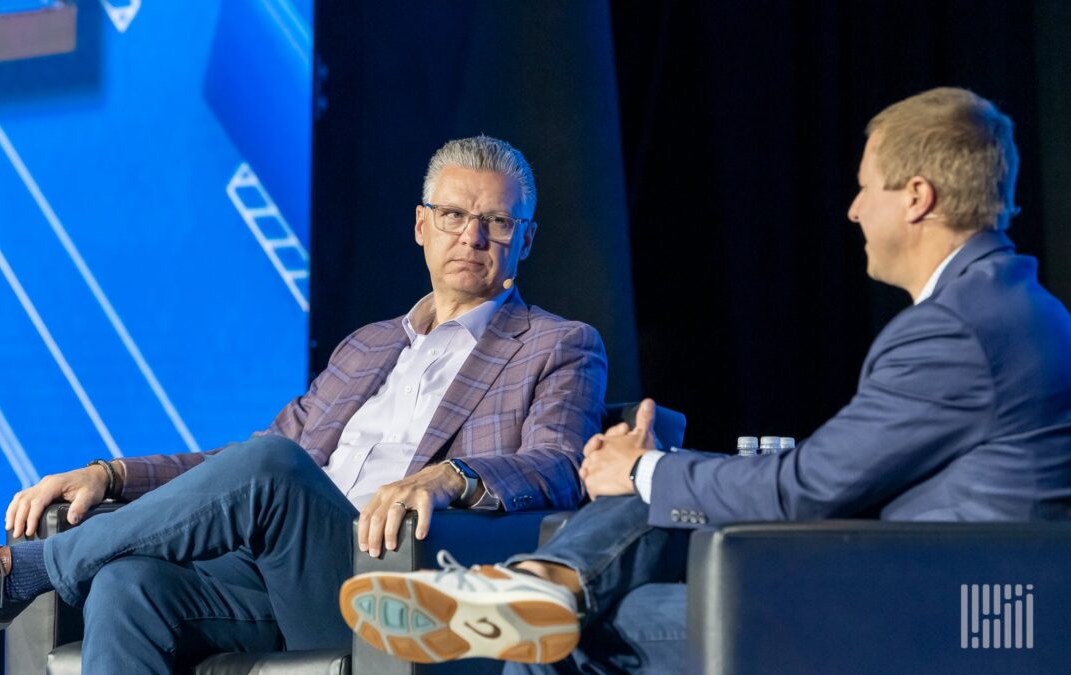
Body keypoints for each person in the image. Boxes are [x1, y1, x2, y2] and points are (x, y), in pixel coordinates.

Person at [339, 88, 1071, 672]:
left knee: (579, 627)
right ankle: (537, 585)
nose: (853, 210)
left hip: (944, 613)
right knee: (578, 602)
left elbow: (808, 488)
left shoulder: (955, 329)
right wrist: (652, 472)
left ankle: (537, 589)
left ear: (916, 197)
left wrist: (646, 469)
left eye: (864, 190)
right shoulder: (1003, 303)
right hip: (950, 592)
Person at [0, 135, 608, 673]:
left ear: (525, 241)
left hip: (390, 580)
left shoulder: (558, 344)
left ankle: (23, 571)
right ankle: (41, 568)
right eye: (453, 215)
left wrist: (453, 476)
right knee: (130, 585)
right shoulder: (368, 347)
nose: (473, 236)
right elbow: (242, 467)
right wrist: (113, 473)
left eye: (497, 222)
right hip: (279, 576)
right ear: (421, 226)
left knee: (272, 465)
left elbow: (558, 464)